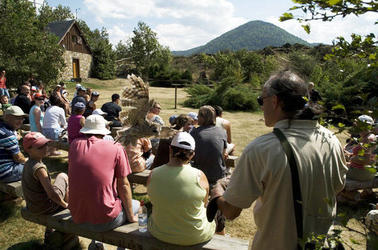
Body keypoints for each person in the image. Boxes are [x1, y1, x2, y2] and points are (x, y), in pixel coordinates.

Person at [214, 70, 347, 249]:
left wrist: (216, 193)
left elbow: (230, 211)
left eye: (261, 100)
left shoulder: (262, 149)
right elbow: (338, 186)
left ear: (275, 101)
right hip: (321, 244)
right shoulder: (330, 140)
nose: (261, 106)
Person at [68, 115, 139, 235]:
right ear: (104, 131)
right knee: (136, 204)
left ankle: (95, 244)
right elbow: (124, 185)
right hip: (104, 220)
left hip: (77, 216)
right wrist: (131, 217)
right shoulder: (116, 148)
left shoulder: (74, 145)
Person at [147, 132, 215, 245]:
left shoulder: (153, 174)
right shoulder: (199, 175)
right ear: (192, 155)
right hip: (195, 236)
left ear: (170, 149)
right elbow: (204, 204)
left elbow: (153, 199)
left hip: (160, 233)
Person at [22, 132, 68, 214]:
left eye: (46, 144)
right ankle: (68, 206)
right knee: (63, 176)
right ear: (29, 150)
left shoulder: (28, 163)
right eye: (40, 147)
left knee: (59, 180)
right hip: (46, 207)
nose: (45, 148)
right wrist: (65, 205)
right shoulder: (39, 168)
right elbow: (51, 194)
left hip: (33, 206)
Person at [190, 106, 227, 186]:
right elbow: (223, 155)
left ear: (203, 117)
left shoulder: (195, 133)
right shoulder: (222, 131)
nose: (197, 117)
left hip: (200, 175)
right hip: (218, 175)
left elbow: (190, 155)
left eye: (198, 115)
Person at [0, 106, 28, 182]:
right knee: (36, 167)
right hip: (5, 173)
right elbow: (18, 158)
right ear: (6, 118)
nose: (21, 121)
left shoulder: (2, 129)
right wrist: (27, 160)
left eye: (22, 118)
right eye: (17, 118)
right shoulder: (7, 134)